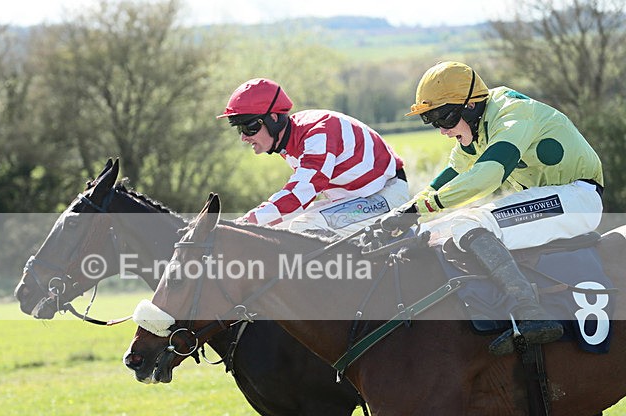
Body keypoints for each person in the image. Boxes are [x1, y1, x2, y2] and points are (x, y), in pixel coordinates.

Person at [385, 60, 604, 355]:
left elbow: (488, 175)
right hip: (552, 200)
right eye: (433, 122)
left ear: (470, 106)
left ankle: (530, 314)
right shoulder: (478, 127)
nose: (442, 131)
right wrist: (406, 213)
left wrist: (422, 206)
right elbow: (452, 174)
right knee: (430, 230)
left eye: (444, 119)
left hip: (578, 198)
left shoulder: (513, 114)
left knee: (471, 223)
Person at [217, 78, 409, 236]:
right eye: (239, 129)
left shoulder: (317, 134)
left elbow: (301, 193)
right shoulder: (289, 138)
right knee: (274, 229)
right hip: (357, 199)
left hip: (385, 196)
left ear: (273, 119)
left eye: (249, 127)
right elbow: (299, 198)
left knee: (304, 228)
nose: (244, 137)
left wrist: (245, 222)